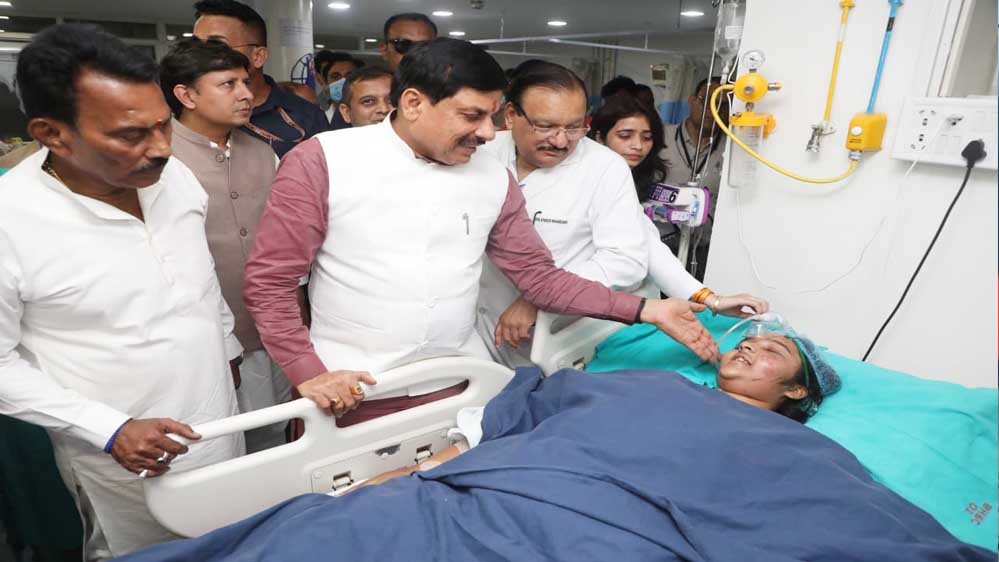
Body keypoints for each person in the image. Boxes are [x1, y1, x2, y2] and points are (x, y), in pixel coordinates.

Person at [111, 321, 993, 562]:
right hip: (492, 497)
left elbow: (848, 520)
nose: (747, 348)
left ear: (797, 393)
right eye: (745, 339)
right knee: (324, 533)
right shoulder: (644, 383)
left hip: (600, 536)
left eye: (774, 354)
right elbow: (525, 406)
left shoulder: (811, 452)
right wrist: (438, 464)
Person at [243, 38, 720, 430]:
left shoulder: (491, 176)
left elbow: (539, 278)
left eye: (492, 117)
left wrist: (646, 309)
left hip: (459, 384)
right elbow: (271, 281)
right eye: (472, 116)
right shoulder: (325, 160)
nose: (489, 133)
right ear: (413, 103)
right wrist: (307, 372)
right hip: (350, 387)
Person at [0, 24, 243, 559]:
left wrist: (226, 350)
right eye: (131, 135)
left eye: (163, 125)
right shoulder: (11, 221)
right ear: (52, 133)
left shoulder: (172, 178)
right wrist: (109, 428)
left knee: (234, 541)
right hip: (121, 455)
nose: (161, 148)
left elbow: (198, 278)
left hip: (220, 422)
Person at [476, 60, 766, 367]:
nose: (560, 141)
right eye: (545, 126)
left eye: (574, 127)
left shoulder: (604, 167)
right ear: (511, 115)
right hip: (474, 321)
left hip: (547, 329)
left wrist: (540, 296)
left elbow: (631, 255)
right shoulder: (481, 153)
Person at [160, 38, 291, 453]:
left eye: (246, 82)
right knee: (211, 444)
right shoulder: (159, 156)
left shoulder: (263, 152)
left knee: (274, 432)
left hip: (267, 327)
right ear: (186, 95)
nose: (246, 94)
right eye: (228, 84)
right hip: (197, 337)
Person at [193, 0, 329, 158]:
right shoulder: (187, 112)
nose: (201, 54)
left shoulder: (306, 117)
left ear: (258, 56)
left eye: (216, 45)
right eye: (195, 45)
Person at [660, 76, 730, 279]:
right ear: (691, 101)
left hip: (704, 249)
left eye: (723, 105)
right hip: (660, 242)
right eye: (706, 100)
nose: (713, 109)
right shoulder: (661, 138)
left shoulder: (732, 150)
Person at [589, 91, 667, 201]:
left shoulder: (645, 179)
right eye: (625, 136)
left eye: (647, 137)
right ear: (600, 138)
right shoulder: (584, 181)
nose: (638, 146)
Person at [313, 51, 364, 128]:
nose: (343, 81)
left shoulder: (374, 116)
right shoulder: (315, 119)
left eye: (350, 76)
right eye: (335, 77)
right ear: (325, 82)